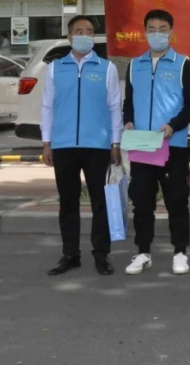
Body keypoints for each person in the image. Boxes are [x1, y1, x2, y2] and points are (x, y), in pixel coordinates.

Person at [42, 15, 122, 276]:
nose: (84, 35)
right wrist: (46, 142)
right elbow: (47, 107)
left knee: (100, 202)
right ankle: (70, 254)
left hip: (98, 145)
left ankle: (101, 255)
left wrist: (116, 142)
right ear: (69, 37)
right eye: (79, 31)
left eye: (89, 31)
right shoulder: (55, 68)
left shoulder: (106, 68)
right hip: (64, 144)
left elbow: (114, 107)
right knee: (68, 202)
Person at [122, 9, 190, 276]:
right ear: (145, 32)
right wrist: (128, 121)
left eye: (162, 29)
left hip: (172, 146)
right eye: (152, 29)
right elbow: (128, 102)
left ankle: (180, 253)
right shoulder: (135, 65)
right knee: (142, 202)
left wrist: (172, 126)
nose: (157, 34)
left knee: (177, 201)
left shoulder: (183, 64)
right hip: (142, 145)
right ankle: (143, 253)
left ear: (171, 32)